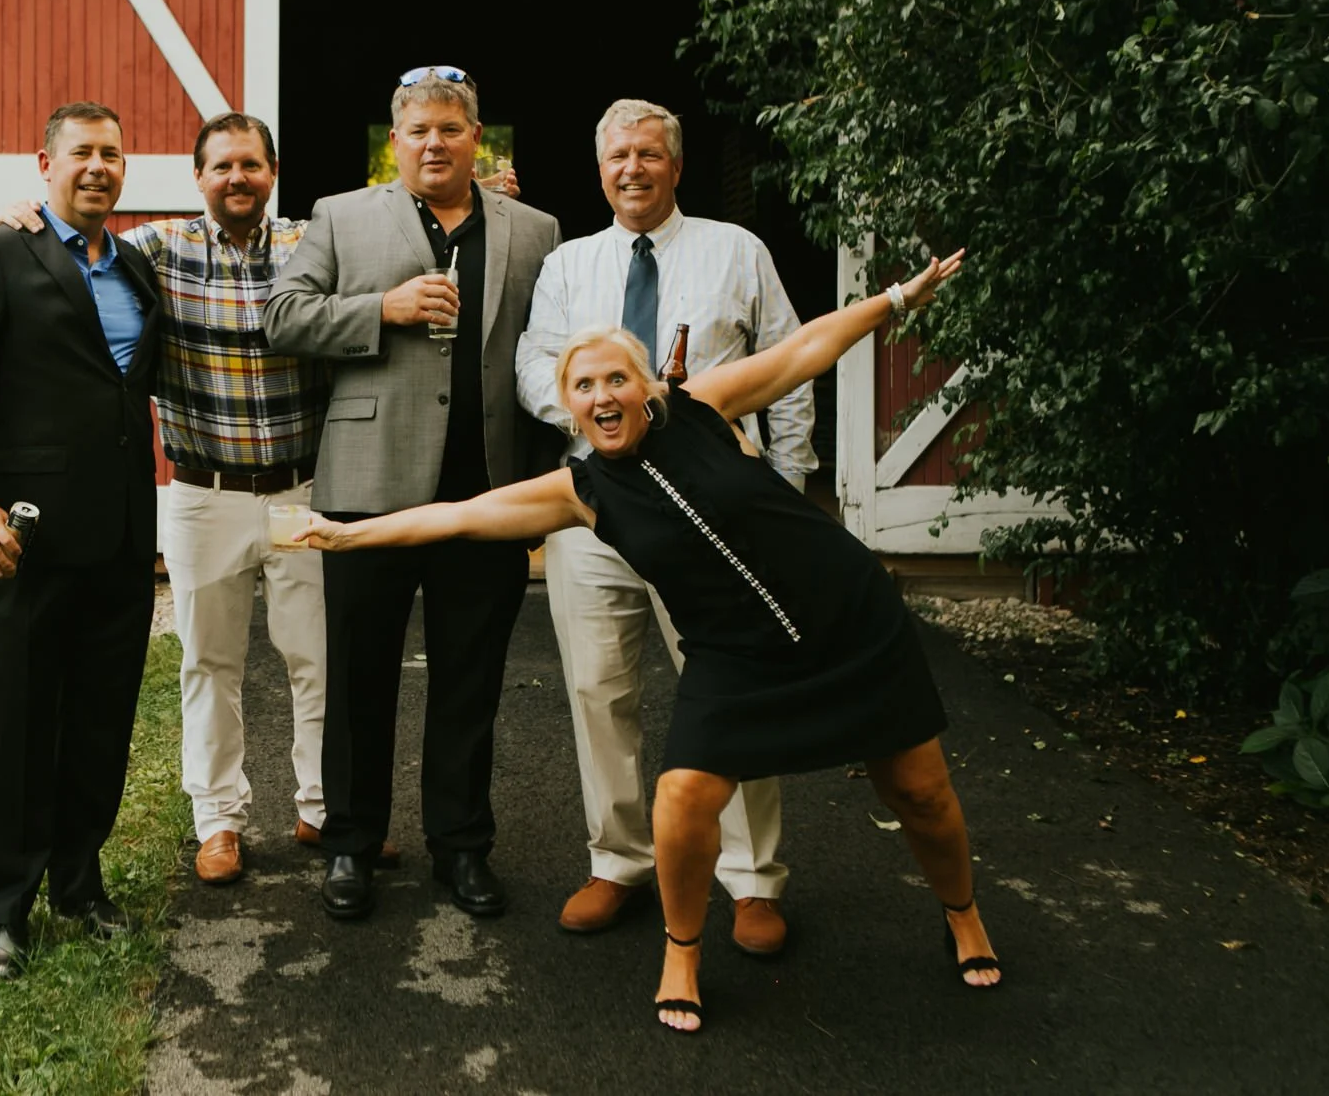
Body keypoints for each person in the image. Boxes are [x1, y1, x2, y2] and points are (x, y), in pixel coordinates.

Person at [295, 250, 1001, 1032]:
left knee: (918, 790)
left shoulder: (700, 407)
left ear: (647, 386)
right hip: (735, 653)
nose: (603, 394)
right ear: (568, 406)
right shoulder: (580, 491)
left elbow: (806, 349)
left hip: (848, 617)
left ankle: (963, 913)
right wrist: (349, 536)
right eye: (584, 385)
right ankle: (682, 949)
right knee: (683, 796)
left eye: (616, 378)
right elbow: (459, 515)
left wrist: (896, 298)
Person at [0, 112, 404, 885]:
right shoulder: (156, 248)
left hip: (301, 488)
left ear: (272, 172)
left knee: (317, 659)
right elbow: (70, 249)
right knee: (209, 663)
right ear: (199, 177)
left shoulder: (311, 244)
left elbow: (390, 249)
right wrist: (23, 218)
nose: (237, 178)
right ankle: (218, 821)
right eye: (222, 166)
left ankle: (323, 808)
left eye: (251, 164)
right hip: (202, 492)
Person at [263, 66, 561, 921]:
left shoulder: (537, 230)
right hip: (370, 486)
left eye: (450, 129)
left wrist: (545, 485)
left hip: (488, 491)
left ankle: (461, 845)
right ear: (394, 142)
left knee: (472, 677)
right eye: (419, 131)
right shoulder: (339, 215)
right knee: (360, 674)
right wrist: (380, 309)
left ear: (477, 140)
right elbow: (282, 316)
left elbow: (552, 346)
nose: (435, 143)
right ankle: (351, 844)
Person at [515, 99, 813, 948]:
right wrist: (591, 412)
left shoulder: (736, 251)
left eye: (649, 153)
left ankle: (751, 878)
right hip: (596, 505)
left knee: (729, 686)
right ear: (600, 169)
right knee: (597, 689)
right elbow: (535, 360)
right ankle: (617, 862)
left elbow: (788, 366)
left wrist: (785, 487)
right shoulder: (569, 264)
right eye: (618, 156)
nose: (633, 168)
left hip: (711, 511)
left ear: (676, 166)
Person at [0, 101, 161, 980]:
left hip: (121, 538)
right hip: (21, 538)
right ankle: (6, 910)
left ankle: (80, 884)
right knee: (16, 724)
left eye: (113, 153)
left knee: (100, 721)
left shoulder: (135, 265)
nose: (98, 166)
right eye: (82, 152)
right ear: (45, 163)